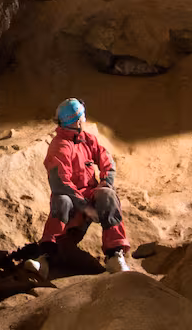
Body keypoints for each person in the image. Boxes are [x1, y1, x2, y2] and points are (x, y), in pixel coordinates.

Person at [30, 98, 131, 274]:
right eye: (83, 116)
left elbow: (107, 162)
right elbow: (60, 183)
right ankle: (45, 256)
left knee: (107, 194)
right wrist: (84, 206)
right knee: (61, 201)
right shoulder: (60, 146)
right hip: (72, 199)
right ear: (77, 121)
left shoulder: (88, 140)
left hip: (91, 194)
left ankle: (115, 255)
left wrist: (105, 183)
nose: (84, 120)